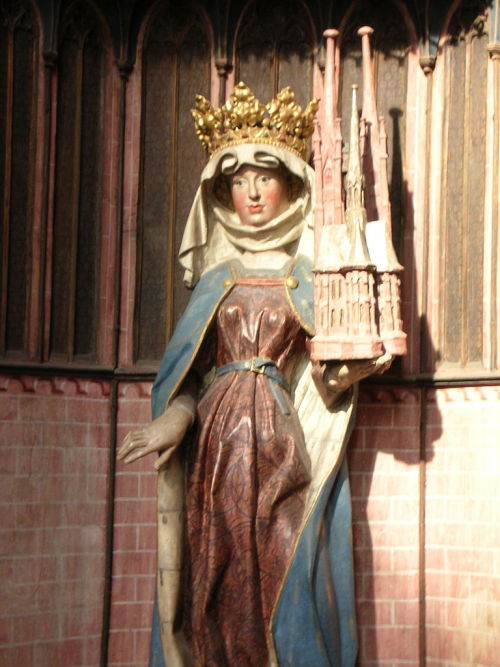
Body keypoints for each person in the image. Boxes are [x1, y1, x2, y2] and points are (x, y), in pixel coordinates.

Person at [118, 83, 391, 667]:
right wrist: (173, 418)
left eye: (264, 177)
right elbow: (188, 373)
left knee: (283, 556)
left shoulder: (307, 272)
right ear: (223, 193)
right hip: (213, 449)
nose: (252, 193)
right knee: (214, 568)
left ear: (291, 183)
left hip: (279, 441)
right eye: (238, 182)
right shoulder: (217, 278)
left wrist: (348, 373)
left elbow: (327, 372)